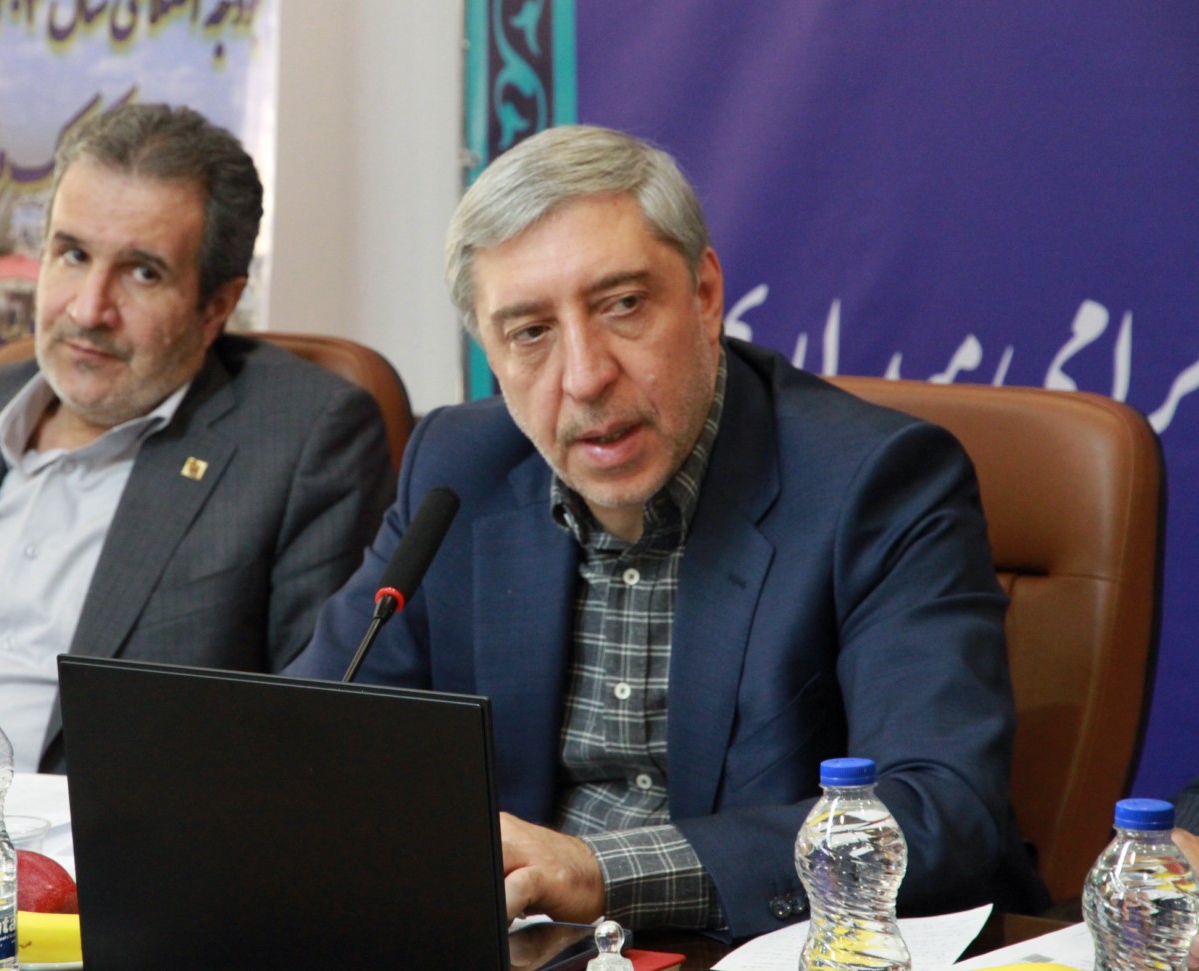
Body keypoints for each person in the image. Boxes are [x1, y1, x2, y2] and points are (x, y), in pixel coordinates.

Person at [287, 124, 1047, 937]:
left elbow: (937, 811)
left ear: (705, 294)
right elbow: (303, 745)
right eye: (530, 332)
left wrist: (603, 872)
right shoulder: (459, 467)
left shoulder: (879, 482)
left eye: (622, 305)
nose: (585, 376)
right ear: (490, 353)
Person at [0, 102, 393, 773]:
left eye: (143, 272)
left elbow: (309, 725)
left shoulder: (299, 441)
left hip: (95, 830)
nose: (88, 309)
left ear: (216, 305)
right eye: (73, 254)